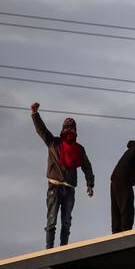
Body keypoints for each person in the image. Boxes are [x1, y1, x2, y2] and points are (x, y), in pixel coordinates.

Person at [31, 103, 95, 248]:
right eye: (68, 128)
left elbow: (87, 167)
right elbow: (41, 130)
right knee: (55, 220)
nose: (70, 130)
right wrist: (35, 114)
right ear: (63, 129)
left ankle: (61, 250)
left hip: (66, 188)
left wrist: (90, 184)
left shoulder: (76, 148)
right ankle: (52, 250)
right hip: (57, 186)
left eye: (71, 128)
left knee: (62, 221)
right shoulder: (55, 143)